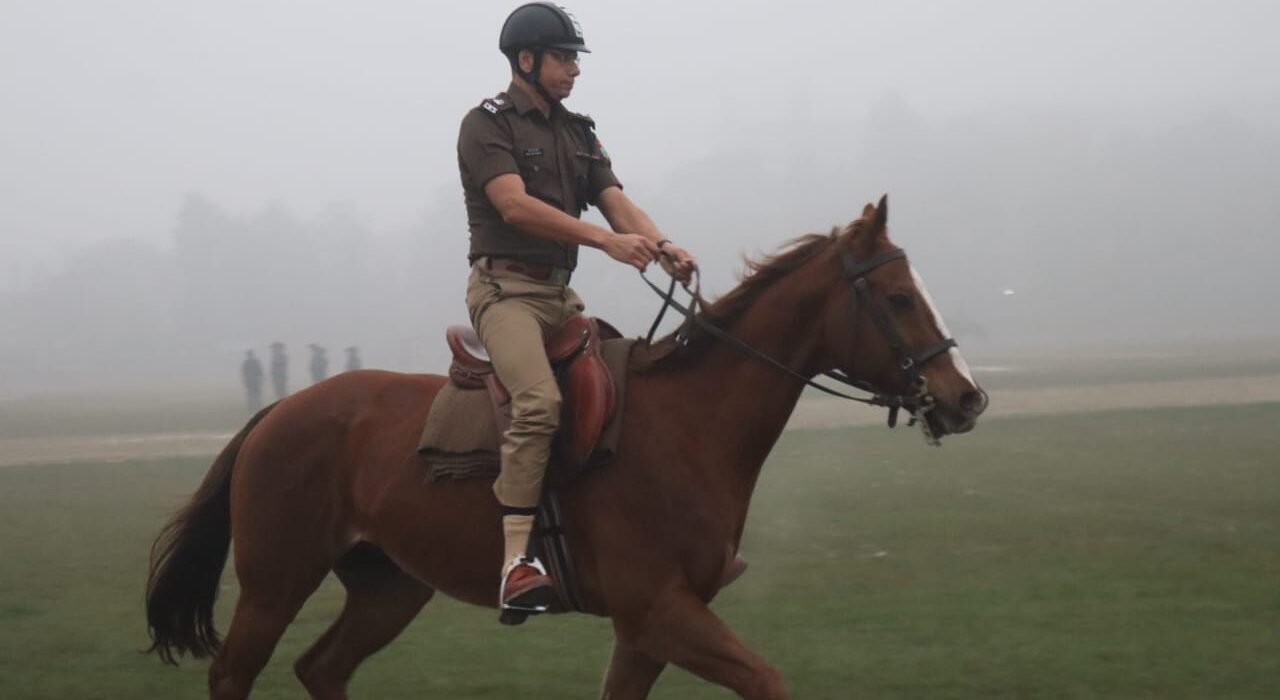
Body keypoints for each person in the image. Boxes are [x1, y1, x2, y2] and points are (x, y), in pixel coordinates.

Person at [457, 2, 697, 614]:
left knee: (634, 390)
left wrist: (662, 246)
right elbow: (513, 205)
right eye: (564, 59)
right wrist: (605, 243)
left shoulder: (579, 132)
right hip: (506, 294)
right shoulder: (485, 125)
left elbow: (617, 202)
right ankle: (516, 565)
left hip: (562, 296)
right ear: (526, 59)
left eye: (575, 59)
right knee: (539, 404)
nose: (575, 70)